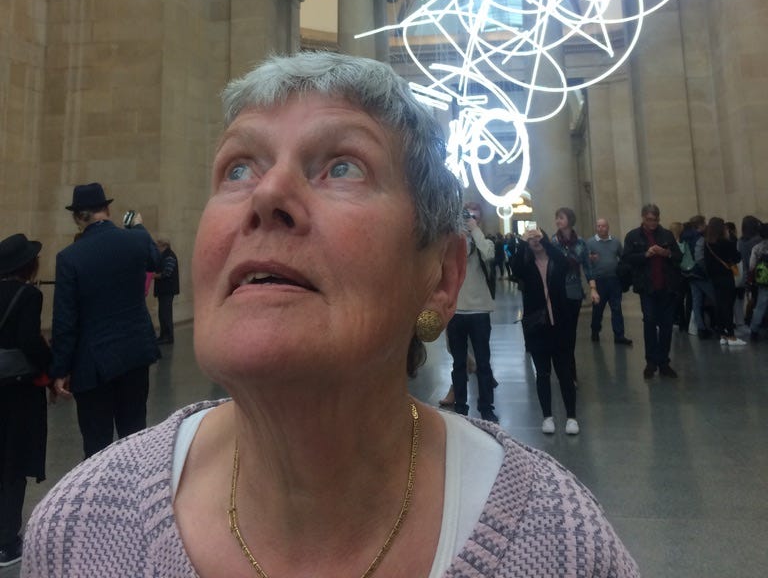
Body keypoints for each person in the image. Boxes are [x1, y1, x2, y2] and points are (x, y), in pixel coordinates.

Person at [22, 52, 639, 578]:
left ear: (441, 276)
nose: (266, 195)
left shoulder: (560, 545)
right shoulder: (79, 529)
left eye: (342, 165)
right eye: (239, 167)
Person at [49, 183, 161, 458]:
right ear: (108, 210)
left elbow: (65, 320)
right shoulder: (135, 240)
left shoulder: (69, 258)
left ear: (77, 217)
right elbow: (156, 262)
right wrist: (139, 227)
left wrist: (60, 369)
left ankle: (102, 497)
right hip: (135, 352)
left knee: (97, 444)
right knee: (135, 434)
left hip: (93, 363)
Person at [0, 233, 51, 568]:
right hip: (17, 391)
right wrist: (53, 366)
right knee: (12, 464)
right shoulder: (29, 295)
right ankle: (6, 542)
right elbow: (30, 342)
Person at [510, 226, 580, 435]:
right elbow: (514, 268)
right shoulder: (526, 264)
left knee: (565, 373)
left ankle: (571, 417)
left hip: (560, 324)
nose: (535, 240)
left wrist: (544, 239)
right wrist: (523, 242)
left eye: (538, 236)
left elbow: (564, 261)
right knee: (542, 373)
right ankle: (547, 416)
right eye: (531, 238)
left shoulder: (556, 261)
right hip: (537, 326)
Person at [446, 212, 497, 422]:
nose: (466, 221)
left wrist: (475, 230)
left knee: (483, 362)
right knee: (458, 363)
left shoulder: (483, 241)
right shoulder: (450, 242)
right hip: (455, 310)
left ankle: (486, 407)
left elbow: (489, 255)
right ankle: (460, 407)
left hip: (479, 310)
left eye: (471, 217)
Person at [623, 204, 682, 379]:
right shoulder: (633, 236)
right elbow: (627, 258)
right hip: (647, 287)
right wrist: (645, 255)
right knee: (649, 321)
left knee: (666, 325)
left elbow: (678, 256)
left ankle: (663, 362)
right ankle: (651, 362)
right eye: (649, 220)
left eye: (655, 220)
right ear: (643, 218)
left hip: (666, 286)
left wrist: (667, 253)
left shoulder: (667, 234)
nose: (653, 223)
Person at [552, 207, 599, 385]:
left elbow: (587, 266)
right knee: (560, 332)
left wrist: (593, 288)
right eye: (557, 218)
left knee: (570, 333)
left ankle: (571, 373)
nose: (558, 221)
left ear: (570, 220)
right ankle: (563, 370)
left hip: (573, 291)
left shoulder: (580, 243)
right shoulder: (553, 241)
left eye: (561, 217)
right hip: (557, 291)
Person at [587, 219, 632, 346]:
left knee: (616, 308)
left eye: (603, 226)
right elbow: (585, 261)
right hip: (599, 280)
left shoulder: (616, 242)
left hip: (614, 279)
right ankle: (595, 330)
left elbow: (622, 257)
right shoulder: (590, 243)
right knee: (598, 309)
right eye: (598, 226)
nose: (601, 228)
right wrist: (589, 258)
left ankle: (619, 335)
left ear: (608, 227)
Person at [701, 216, 745, 346]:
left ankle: (722, 335)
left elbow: (707, 263)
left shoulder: (707, 243)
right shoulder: (725, 242)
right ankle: (731, 335)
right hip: (726, 277)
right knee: (728, 306)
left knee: (719, 305)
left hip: (714, 278)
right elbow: (737, 257)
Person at [153, 240, 180, 345]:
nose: (156, 248)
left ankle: (168, 337)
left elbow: (167, 273)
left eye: (157, 246)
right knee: (162, 314)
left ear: (164, 246)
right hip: (164, 290)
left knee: (166, 314)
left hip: (167, 290)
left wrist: (152, 276)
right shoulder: (164, 256)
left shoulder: (169, 256)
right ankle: (163, 336)